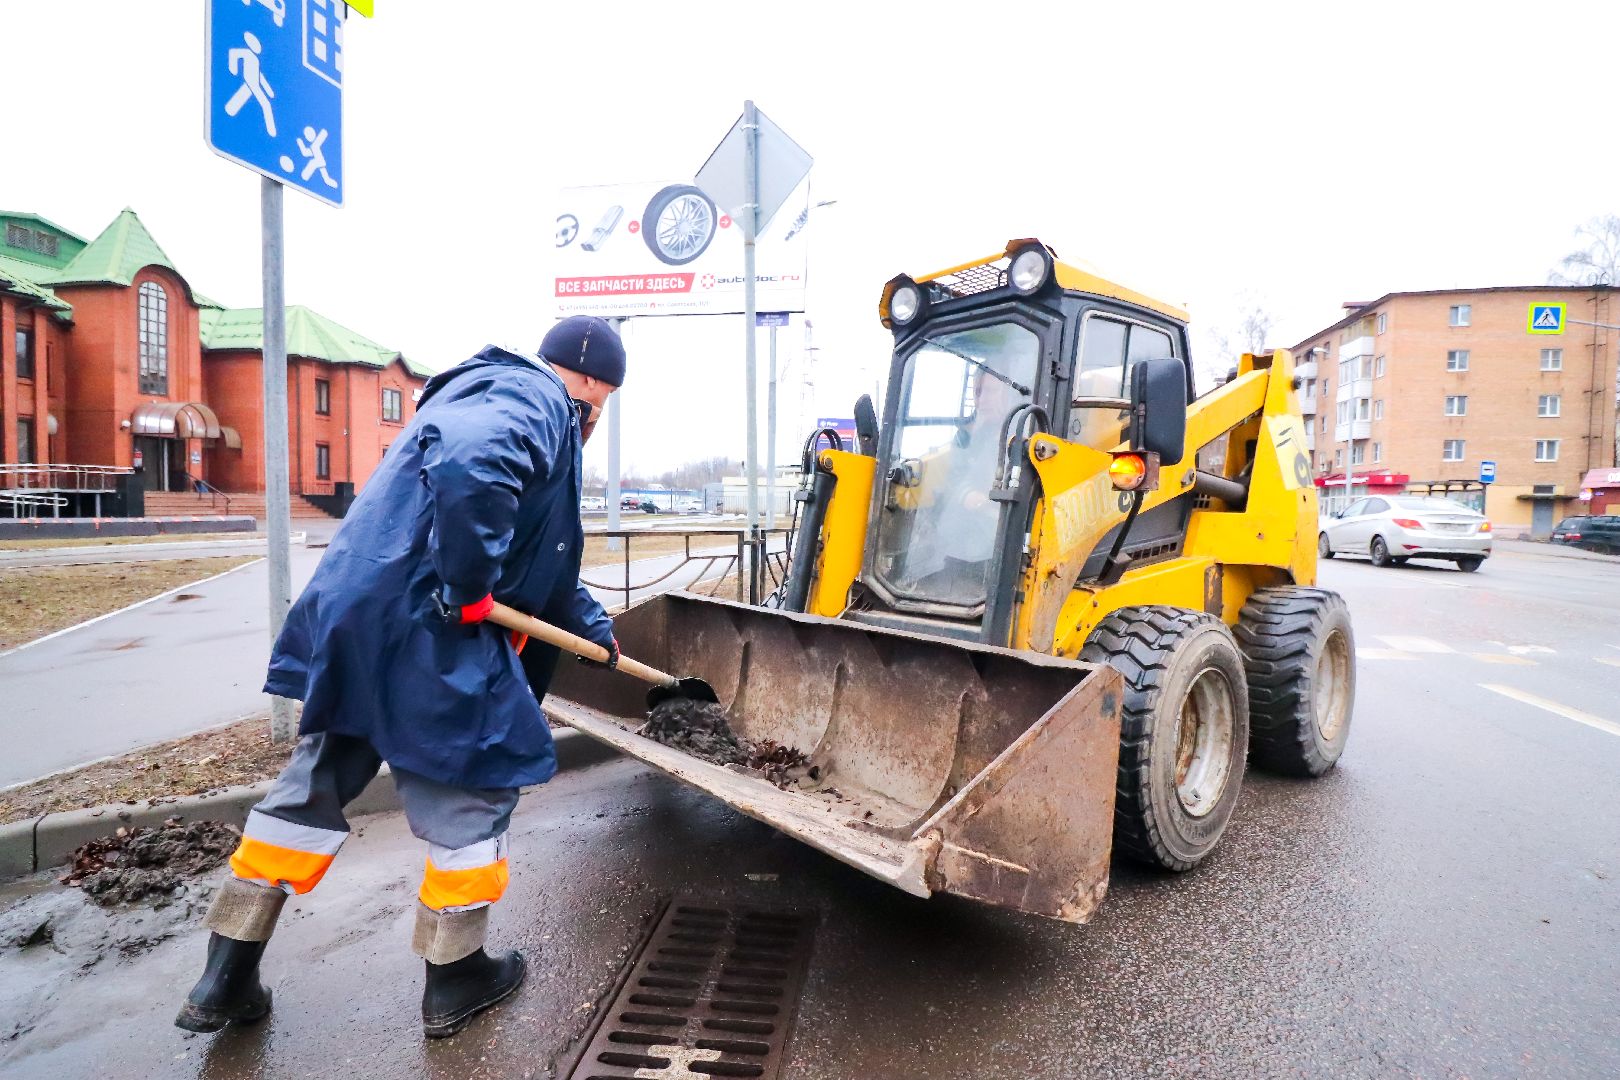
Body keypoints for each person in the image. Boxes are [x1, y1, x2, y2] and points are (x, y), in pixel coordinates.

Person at [175, 317, 626, 1039]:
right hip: (432, 630)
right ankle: (456, 977)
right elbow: (474, 469)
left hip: (368, 619)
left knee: (311, 787)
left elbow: (544, 560)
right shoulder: (534, 395)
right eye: (600, 406)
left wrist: (596, 633)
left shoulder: (485, 398)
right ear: (593, 387)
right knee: (469, 796)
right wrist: (469, 582)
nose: (596, 420)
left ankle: (223, 975)